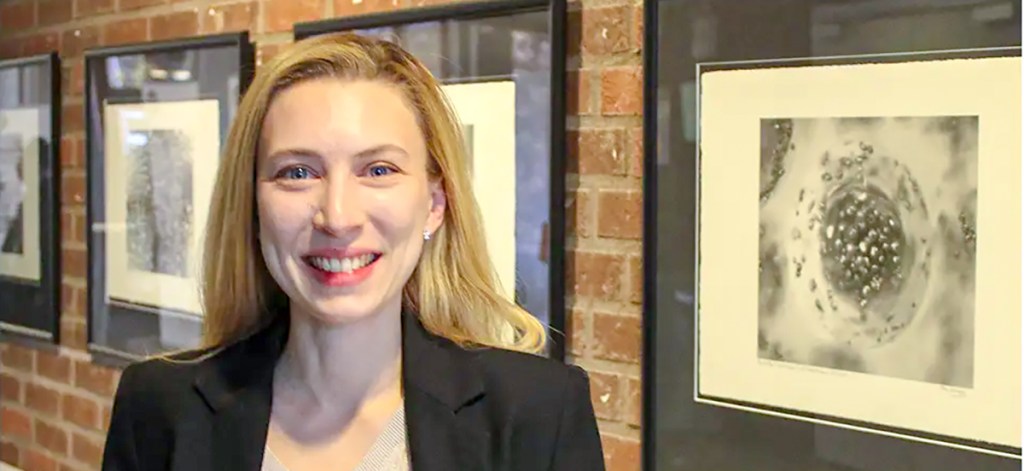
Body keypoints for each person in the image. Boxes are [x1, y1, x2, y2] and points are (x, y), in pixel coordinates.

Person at [100, 32, 605, 471]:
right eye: (297, 172)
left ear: (433, 205)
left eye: (378, 170)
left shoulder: (539, 413)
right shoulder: (158, 407)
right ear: (253, 206)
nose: (337, 216)